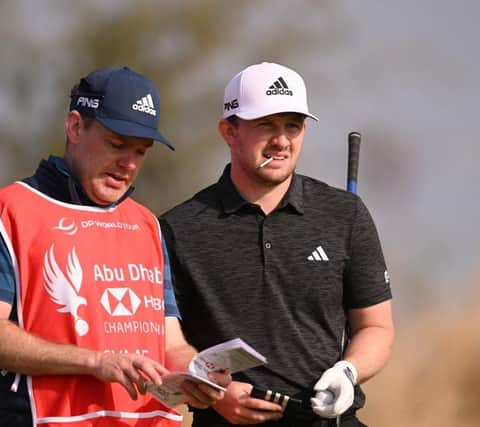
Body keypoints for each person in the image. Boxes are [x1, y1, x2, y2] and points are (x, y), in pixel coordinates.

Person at [0, 66, 230, 427]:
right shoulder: (7, 212)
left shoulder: (146, 224)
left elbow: (169, 344)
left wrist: (197, 375)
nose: (128, 164)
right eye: (116, 144)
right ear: (75, 127)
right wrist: (95, 361)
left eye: (140, 151)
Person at [159, 62, 394, 427]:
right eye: (265, 124)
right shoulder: (179, 227)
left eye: (293, 126)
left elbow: (375, 327)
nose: (282, 140)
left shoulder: (344, 214)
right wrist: (214, 394)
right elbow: (170, 343)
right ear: (229, 131)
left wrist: (349, 371)